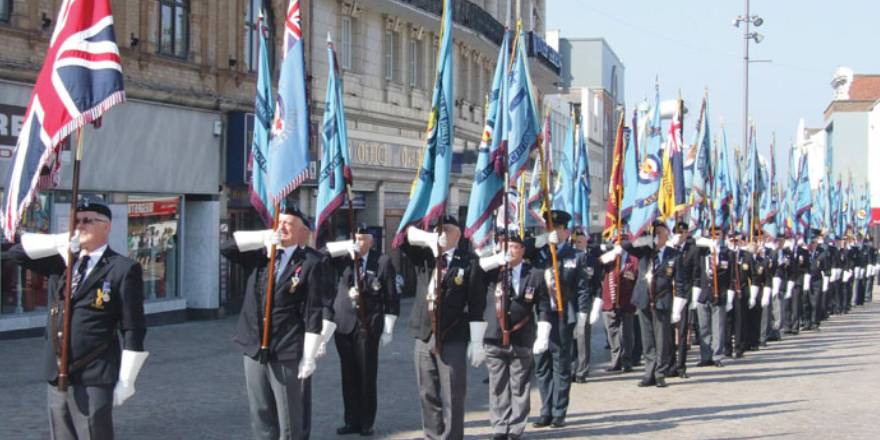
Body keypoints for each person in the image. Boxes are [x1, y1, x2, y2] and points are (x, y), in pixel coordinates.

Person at [4, 199, 148, 440]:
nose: (80, 226)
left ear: (106, 226)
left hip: (95, 370)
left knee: (93, 433)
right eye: (76, 221)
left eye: (88, 220)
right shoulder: (62, 263)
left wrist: (127, 378)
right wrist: (58, 241)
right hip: (58, 370)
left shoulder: (122, 268)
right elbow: (15, 253)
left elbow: (133, 327)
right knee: (61, 434)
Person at [221, 207, 332, 440]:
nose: (282, 227)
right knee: (260, 413)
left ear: (301, 231)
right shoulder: (262, 254)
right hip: (253, 344)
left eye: (289, 224)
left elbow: (313, 312)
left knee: (289, 417)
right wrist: (262, 237)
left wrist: (309, 356)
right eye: (279, 222)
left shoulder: (311, 262)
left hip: (286, 347)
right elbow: (227, 248)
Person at [402, 215, 486, 440]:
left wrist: (477, 342)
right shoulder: (426, 257)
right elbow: (402, 239)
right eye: (437, 230)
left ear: (457, 234)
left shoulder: (468, 262)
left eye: (446, 229)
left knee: (453, 394)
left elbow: (477, 304)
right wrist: (429, 238)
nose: (441, 234)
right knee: (427, 391)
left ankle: (451, 436)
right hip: (424, 333)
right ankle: (432, 435)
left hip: (453, 334)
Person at [324, 225, 399, 436]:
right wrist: (344, 247)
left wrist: (389, 328)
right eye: (356, 238)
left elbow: (391, 297)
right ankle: (351, 420)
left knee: (366, 375)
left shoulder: (382, 261)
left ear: (372, 241)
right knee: (348, 376)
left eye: (363, 239)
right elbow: (321, 255)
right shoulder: (344, 259)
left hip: (367, 326)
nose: (359, 242)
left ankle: (367, 422)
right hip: (344, 326)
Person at [478, 232, 550, 440]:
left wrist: (543, 331)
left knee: (519, 385)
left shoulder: (535, 274)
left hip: (522, 336)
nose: (510, 251)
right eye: (506, 246)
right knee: (498, 385)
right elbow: (476, 270)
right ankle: (500, 426)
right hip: (495, 337)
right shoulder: (494, 271)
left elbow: (543, 304)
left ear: (523, 250)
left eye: (514, 247)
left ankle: (516, 427)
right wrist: (494, 259)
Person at [531, 210, 590, 428]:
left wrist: (583, 314)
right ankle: (545, 410)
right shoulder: (540, 254)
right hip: (540, 315)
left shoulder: (576, 256)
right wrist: (542, 241)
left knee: (561, 365)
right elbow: (523, 247)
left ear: (566, 231)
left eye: (556, 228)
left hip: (563, 316)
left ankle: (558, 411)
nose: (553, 232)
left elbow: (583, 289)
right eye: (549, 228)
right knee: (541, 364)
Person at [621, 219, 684, 388]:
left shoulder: (674, 255)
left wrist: (678, 306)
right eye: (654, 233)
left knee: (662, 339)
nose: (657, 236)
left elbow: (680, 282)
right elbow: (625, 244)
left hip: (662, 300)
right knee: (647, 339)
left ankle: (660, 373)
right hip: (643, 299)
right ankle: (649, 372)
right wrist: (644, 240)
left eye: (659, 233)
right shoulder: (644, 251)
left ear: (666, 234)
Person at [598, 236, 638, 374]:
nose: (618, 245)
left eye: (621, 243)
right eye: (616, 243)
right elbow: (597, 266)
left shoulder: (633, 260)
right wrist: (610, 255)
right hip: (609, 301)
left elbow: (637, 279)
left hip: (627, 302)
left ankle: (627, 361)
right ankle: (615, 361)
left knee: (627, 333)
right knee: (612, 333)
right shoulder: (609, 259)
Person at [693, 231, 731, 366]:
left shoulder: (726, 253)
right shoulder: (702, 252)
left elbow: (728, 275)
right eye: (713, 233)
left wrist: (729, 296)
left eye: (718, 234)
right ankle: (705, 356)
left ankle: (717, 356)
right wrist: (708, 244)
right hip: (703, 294)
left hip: (718, 294)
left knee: (718, 328)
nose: (715, 236)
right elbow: (693, 242)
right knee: (703, 327)